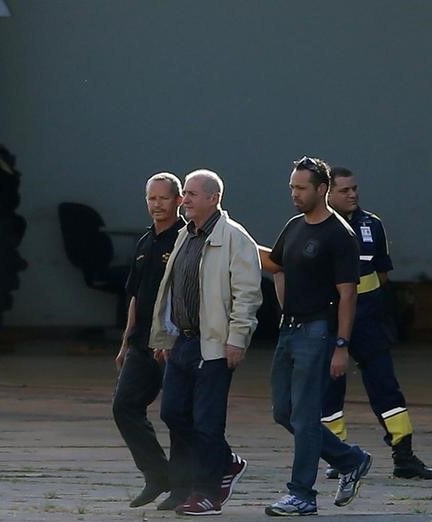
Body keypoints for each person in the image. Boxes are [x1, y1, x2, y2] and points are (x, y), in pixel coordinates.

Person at [259, 156, 373, 516]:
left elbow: (348, 294)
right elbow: (276, 263)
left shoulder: (339, 234)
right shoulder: (295, 226)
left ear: (321, 190)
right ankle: (350, 459)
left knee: (306, 416)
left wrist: (341, 345)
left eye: (301, 188)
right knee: (284, 412)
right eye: (292, 186)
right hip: (289, 330)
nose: (294, 193)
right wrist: (237, 240)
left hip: (318, 331)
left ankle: (302, 495)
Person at [149, 169, 261, 515]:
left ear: (214, 199)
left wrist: (237, 339)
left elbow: (247, 294)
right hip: (183, 342)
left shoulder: (234, 237)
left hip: (214, 344)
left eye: (193, 194)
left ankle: (208, 492)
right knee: (172, 412)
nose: (185, 200)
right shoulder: (186, 235)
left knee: (207, 421)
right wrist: (165, 335)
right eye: (185, 193)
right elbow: (171, 291)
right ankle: (226, 462)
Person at [322, 166, 432, 480]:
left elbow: (383, 273)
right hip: (330, 318)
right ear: (327, 193)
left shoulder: (373, 225)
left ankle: (404, 455)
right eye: (344, 190)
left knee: (385, 385)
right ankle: (339, 456)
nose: (353, 194)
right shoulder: (316, 227)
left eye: (355, 188)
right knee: (329, 390)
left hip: (368, 318)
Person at [113, 171, 185, 508]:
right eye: (151, 199)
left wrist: (173, 338)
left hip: (172, 344)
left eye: (163, 198)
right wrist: (126, 342)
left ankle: (186, 485)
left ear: (179, 200)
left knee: (177, 415)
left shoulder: (186, 240)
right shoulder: (144, 242)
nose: (157, 205)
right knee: (124, 407)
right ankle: (157, 475)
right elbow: (135, 296)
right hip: (141, 342)